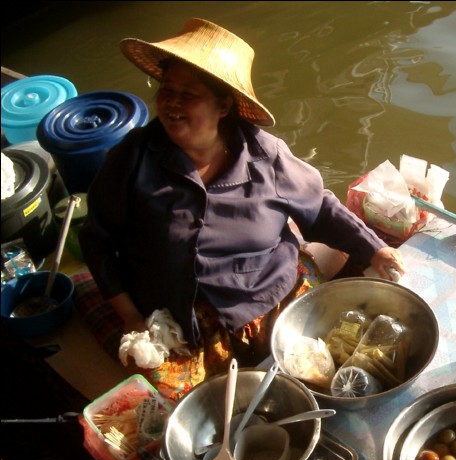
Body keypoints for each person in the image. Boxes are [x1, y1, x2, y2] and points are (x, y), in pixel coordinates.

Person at [79, 18, 405, 400]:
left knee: (330, 356)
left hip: (269, 293)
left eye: (189, 94)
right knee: (167, 390)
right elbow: (97, 241)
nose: (171, 103)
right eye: (167, 90)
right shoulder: (131, 160)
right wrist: (132, 318)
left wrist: (374, 249)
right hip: (181, 316)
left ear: (224, 105)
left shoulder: (267, 156)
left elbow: (318, 208)